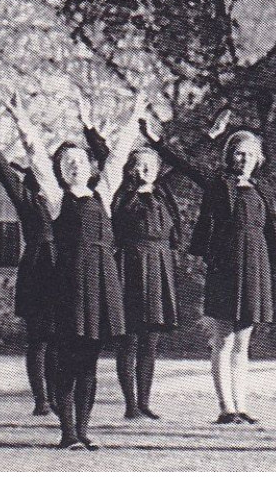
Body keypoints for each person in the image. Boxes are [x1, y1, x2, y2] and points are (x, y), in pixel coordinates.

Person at [11, 97, 142, 450]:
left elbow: (118, 157)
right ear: (60, 169)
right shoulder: (55, 198)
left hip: (102, 282)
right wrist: (22, 120)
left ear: (89, 166)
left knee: (90, 361)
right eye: (67, 163)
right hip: (68, 285)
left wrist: (134, 115)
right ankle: (67, 432)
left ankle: (83, 430)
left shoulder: (103, 193)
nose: (74, 167)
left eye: (80, 161)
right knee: (67, 359)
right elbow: (36, 160)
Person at [151, 124, 276, 426]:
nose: (243, 159)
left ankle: (242, 406)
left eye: (249, 155)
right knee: (223, 340)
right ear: (230, 156)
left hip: (256, 267)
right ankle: (226, 408)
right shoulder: (217, 183)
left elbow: (273, 227)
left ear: (258, 158)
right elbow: (186, 164)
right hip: (225, 266)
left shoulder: (264, 189)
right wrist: (158, 143)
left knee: (243, 343)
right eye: (238, 154)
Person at [0, 122, 59, 416]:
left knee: (59, 339)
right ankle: (41, 399)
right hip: (38, 268)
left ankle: (57, 395)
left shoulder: (70, 199)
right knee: (38, 337)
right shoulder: (28, 199)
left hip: (65, 269)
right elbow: (2, 169)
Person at [110, 136, 184, 420]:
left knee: (150, 341)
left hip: (159, 267)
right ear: (130, 169)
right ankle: (130, 405)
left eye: (149, 166)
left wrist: (210, 136)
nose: (144, 170)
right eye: (139, 166)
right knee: (129, 340)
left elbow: (183, 163)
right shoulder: (121, 196)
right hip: (129, 267)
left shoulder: (164, 193)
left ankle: (145, 402)